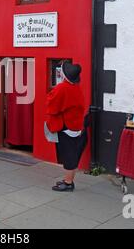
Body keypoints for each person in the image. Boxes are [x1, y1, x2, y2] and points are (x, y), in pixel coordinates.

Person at [45, 61, 87, 192]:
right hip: (76, 125)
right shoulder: (76, 87)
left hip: (66, 126)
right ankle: (68, 180)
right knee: (72, 153)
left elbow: (52, 107)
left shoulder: (62, 88)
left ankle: (68, 183)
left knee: (69, 155)